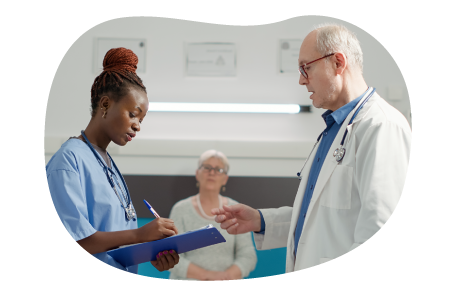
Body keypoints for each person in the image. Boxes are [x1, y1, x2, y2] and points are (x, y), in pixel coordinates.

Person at [212, 23, 412, 281]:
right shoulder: (333, 131)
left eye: (306, 67)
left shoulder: (381, 125)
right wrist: (261, 220)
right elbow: (322, 217)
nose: (301, 79)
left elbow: (383, 234)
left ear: (338, 63)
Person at [45, 47, 180, 281]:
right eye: (133, 114)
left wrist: (150, 250)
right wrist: (139, 235)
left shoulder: (106, 164)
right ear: (105, 105)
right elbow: (72, 245)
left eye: (142, 120)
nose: (138, 125)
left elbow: (114, 245)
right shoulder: (68, 161)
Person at [168, 150, 257, 281]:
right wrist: (208, 276)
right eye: (207, 167)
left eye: (218, 169)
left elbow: (248, 255)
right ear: (197, 174)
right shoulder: (180, 209)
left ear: (225, 179)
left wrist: (226, 277)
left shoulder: (235, 209)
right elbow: (171, 255)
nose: (212, 172)